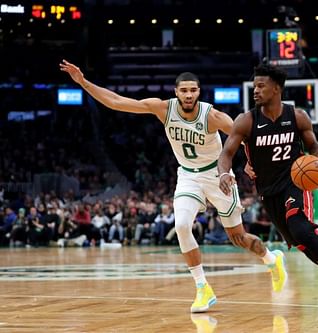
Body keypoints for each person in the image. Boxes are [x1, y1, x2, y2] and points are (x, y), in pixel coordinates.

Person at [59, 60, 287, 313]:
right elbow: (116, 102)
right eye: (184, 90)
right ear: (176, 92)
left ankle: (271, 259)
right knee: (180, 225)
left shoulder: (212, 116)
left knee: (239, 238)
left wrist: (250, 162)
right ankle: (203, 288)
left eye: (193, 90)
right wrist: (83, 82)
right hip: (188, 176)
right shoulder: (163, 109)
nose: (188, 95)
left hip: (216, 176)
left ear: (199, 92)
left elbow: (245, 136)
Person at [218, 64, 318, 315]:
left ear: (277, 89)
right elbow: (226, 153)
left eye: (261, 86)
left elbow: (314, 146)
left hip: (295, 181)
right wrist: (223, 173)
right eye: (255, 86)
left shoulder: (298, 116)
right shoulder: (247, 120)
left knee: (302, 230)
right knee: (308, 248)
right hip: (268, 191)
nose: (256, 90)